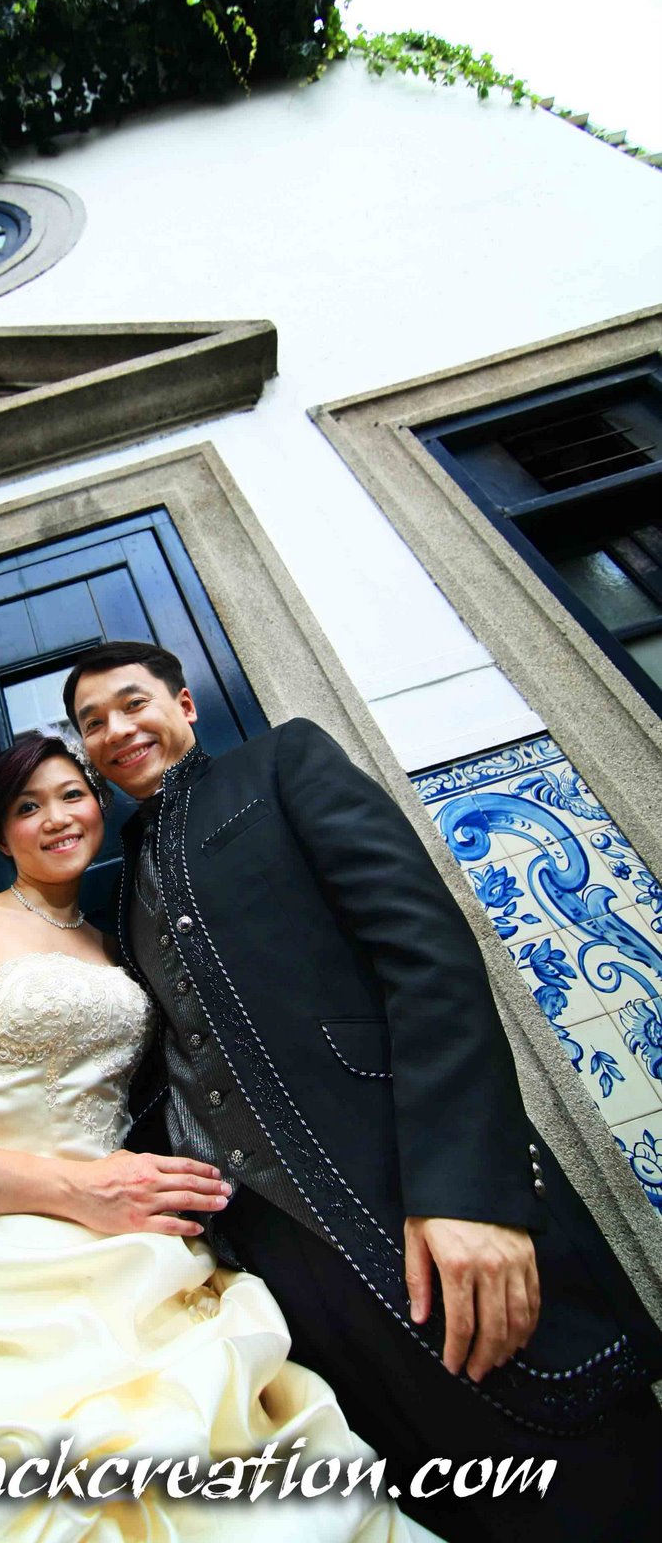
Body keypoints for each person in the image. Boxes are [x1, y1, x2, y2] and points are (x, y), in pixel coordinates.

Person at [63, 640, 662, 1543]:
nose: (115, 729)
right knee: (437, 1501)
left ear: (183, 705)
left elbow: (427, 956)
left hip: (410, 1187)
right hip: (279, 1259)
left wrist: (470, 1191)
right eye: (92, 722)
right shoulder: (118, 888)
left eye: (131, 702)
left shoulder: (282, 763)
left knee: (586, 1474)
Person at [0, 731, 441, 1542]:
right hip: (8, 1251)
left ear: (99, 808)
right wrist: (79, 1189)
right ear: (1, 836)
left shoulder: (119, 943)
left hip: (140, 1247)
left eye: (72, 795)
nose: (56, 818)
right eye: (27, 807)